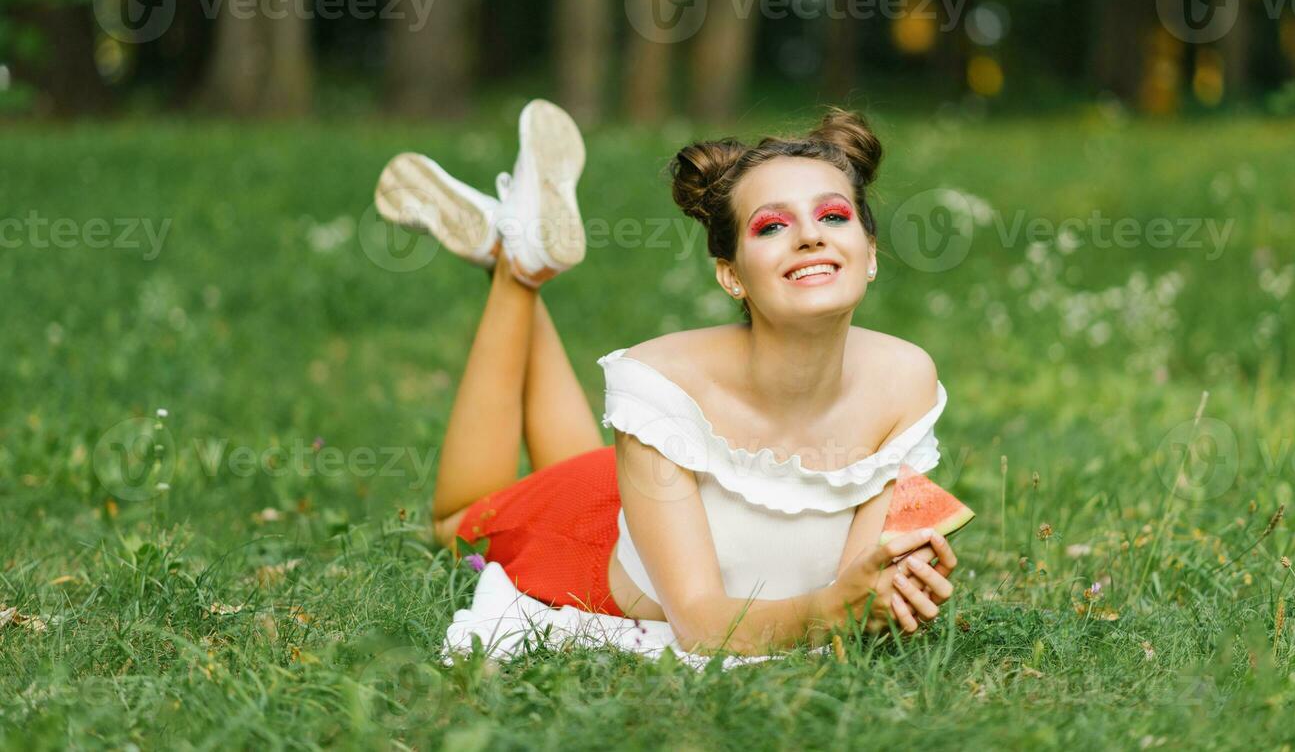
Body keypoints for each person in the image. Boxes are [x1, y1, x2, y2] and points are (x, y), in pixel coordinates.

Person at [375, 99, 959, 658]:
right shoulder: (659, 380)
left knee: (572, 463)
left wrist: (890, 588)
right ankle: (512, 269)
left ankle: (518, 253)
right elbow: (702, 624)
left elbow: (858, 585)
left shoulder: (904, 378)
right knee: (459, 518)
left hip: (663, 492)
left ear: (871, 251)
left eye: (833, 215)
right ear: (731, 276)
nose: (811, 234)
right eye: (772, 226)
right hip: (592, 540)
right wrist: (827, 612)